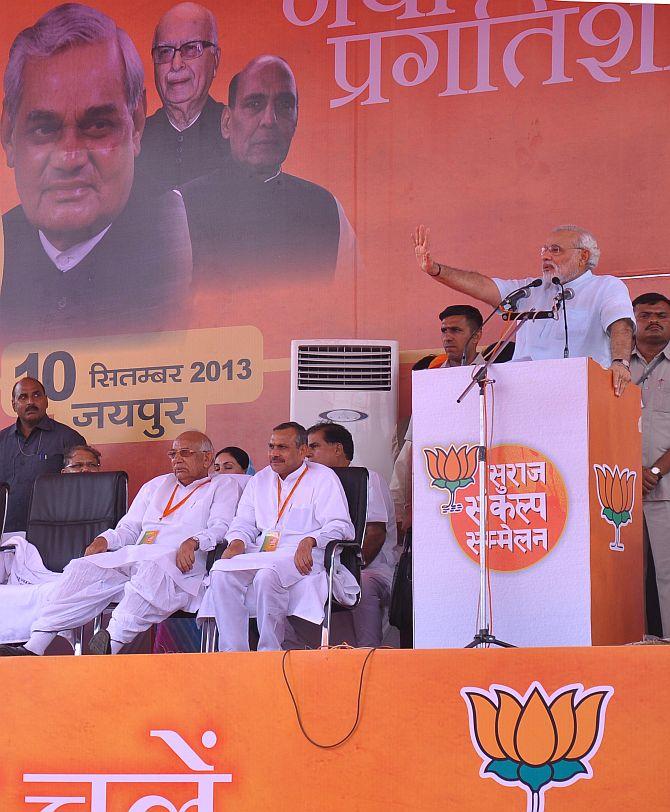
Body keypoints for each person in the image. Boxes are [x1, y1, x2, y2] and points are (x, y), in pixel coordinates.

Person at [0, 4, 192, 336]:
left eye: (98, 125)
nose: (70, 157)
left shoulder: (193, 241)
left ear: (136, 125)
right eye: (45, 129)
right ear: (7, 135)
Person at [0, 431, 245, 656]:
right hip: (137, 554)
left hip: (180, 563)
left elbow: (220, 527)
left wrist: (193, 541)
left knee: (152, 570)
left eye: (185, 453)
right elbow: (129, 527)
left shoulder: (223, 485)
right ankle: (35, 645)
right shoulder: (156, 485)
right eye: (173, 453)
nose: (177, 459)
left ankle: (110, 644)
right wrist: (103, 540)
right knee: (83, 567)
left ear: (206, 458)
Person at [180, 55, 355, 281]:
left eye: (284, 106)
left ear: (295, 121)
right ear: (226, 122)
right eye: (254, 104)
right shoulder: (181, 208)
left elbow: (353, 304)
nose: (269, 120)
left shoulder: (327, 210)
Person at [412, 224, 635, 396]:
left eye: (555, 250)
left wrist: (620, 363)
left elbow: (621, 325)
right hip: (525, 395)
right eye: (544, 250)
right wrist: (436, 270)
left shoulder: (606, 286)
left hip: (581, 393)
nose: (545, 256)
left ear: (583, 256)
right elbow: (483, 286)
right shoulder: (531, 290)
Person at [207, 422, 355, 651]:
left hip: (304, 554)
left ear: (304, 451)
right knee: (220, 572)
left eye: (282, 447)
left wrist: (311, 540)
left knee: (267, 576)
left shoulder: (323, 477)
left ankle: (270, 651)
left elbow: (340, 525)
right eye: (271, 446)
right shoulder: (260, 480)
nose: (274, 454)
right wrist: (237, 541)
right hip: (263, 551)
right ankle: (233, 653)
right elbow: (243, 522)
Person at [306, 422, 397, 647]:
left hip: (370, 568)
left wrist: (347, 569)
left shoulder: (366, 478)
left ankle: (368, 653)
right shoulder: (312, 484)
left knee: (360, 583)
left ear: (338, 449)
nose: (307, 454)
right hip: (325, 566)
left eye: (314, 446)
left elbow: (375, 534)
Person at [136, 2, 229, 194]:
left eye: (191, 49)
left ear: (216, 60)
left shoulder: (237, 134)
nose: (176, 64)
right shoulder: (136, 140)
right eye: (164, 52)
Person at [630, 292, 670, 637]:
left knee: (667, 576)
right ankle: (628, 654)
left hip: (665, 487)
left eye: (661, 315)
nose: (654, 320)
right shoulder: (612, 364)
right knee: (624, 578)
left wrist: (655, 471)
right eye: (645, 316)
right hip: (617, 490)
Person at [0, 378, 86, 532]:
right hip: (6, 534)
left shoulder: (69, 439)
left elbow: (81, 492)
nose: (30, 402)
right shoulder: (2, 440)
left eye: (37, 395)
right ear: (13, 404)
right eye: (23, 397)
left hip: (53, 534)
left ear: (46, 401)